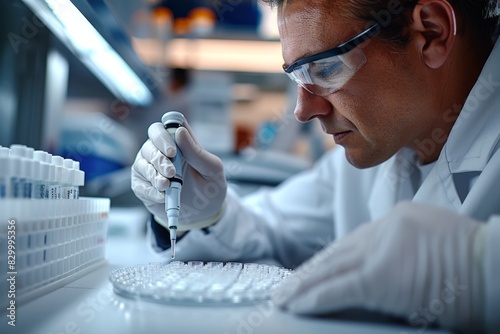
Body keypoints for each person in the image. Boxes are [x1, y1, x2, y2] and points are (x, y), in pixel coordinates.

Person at [131, 0, 500, 332]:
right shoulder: (375, 150)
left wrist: (481, 269)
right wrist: (203, 214)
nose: (303, 110)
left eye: (323, 70)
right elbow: (271, 229)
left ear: (431, 33)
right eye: (297, 76)